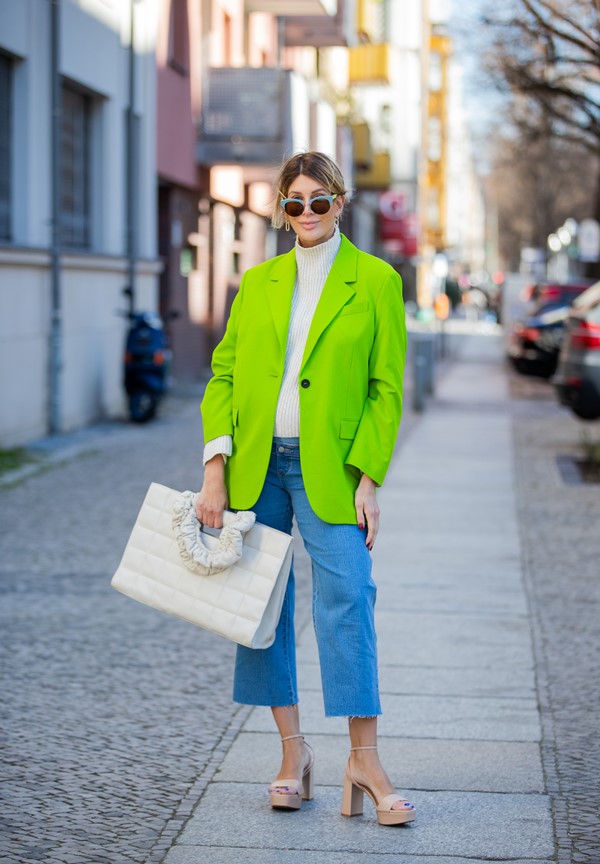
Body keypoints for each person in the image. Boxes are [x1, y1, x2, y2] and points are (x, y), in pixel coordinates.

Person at [196, 151, 415, 826]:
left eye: (319, 201)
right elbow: (225, 375)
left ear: (340, 203)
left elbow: (386, 388)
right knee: (260, 610)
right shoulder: (258, 282)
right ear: (282, 211)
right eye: (294, 203)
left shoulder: (375, 281)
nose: (307, 214)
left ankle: (364, 760)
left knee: (349, 595)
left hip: (331, 469)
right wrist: (214, 468)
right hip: (256, 468)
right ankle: (292, 756)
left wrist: (369, 480)